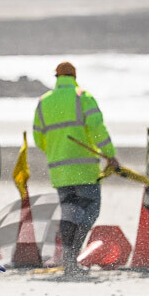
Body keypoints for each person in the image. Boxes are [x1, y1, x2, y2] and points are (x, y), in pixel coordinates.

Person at [32, 61, 119, 277]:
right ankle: (71, 260)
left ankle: (70, 262)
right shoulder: (83, 98)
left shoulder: (44, 102)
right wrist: (109, 153)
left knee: (70, 216)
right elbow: (97, 128)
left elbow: (38, 138)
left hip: (60, 172)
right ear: (74, 76)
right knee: (89, 213)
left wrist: (57, 153)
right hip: (85, 171)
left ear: (56, 77)